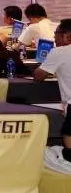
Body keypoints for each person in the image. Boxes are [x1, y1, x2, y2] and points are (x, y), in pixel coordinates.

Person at [33, 19, 71, 173]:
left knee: (42, 154)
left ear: (66, 35)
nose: (54, 37)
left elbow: (38, 76)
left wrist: (46, 63)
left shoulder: (60, 52)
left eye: (56, 33)